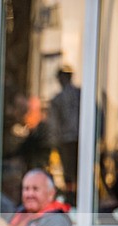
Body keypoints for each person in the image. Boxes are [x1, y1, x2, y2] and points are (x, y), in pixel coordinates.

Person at [47, 67, 80, 206]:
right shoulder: (79, 95)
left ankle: (73, 196)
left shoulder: (63, 98)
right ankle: (73, 196)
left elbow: (54, 123)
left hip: (70, 139)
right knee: (73, 170)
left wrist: (54, 140)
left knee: (71, 170)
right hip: (73, 139)